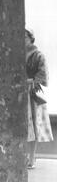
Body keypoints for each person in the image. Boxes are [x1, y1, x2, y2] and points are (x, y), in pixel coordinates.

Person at [25, 29, 54, 169]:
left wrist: (31, 83)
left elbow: (42, 75)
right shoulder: (14, 55)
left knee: (33, 126)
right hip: (16, 93)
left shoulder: (38, 55)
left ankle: (31, 158)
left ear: (31, 38)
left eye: (25, 36)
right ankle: (22, 157)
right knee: (19, 127)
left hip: (31, 92)